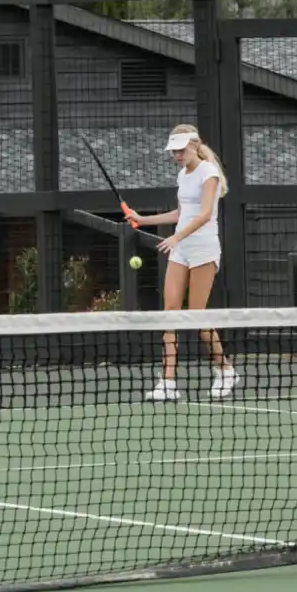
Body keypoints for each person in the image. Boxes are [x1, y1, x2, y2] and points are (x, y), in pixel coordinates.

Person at [122, 125, 239, 402]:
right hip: (181, 249)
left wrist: (176, 238)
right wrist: (143, 219)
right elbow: (182, 212)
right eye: (173, 150)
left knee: (196, 316)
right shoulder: (182, 175)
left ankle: (225, 370)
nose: (176, 154)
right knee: (170, 313)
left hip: (203, 250)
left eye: (181, 149)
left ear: (194, 145)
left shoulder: (208, 174)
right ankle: (168, 382)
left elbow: (204, 214)